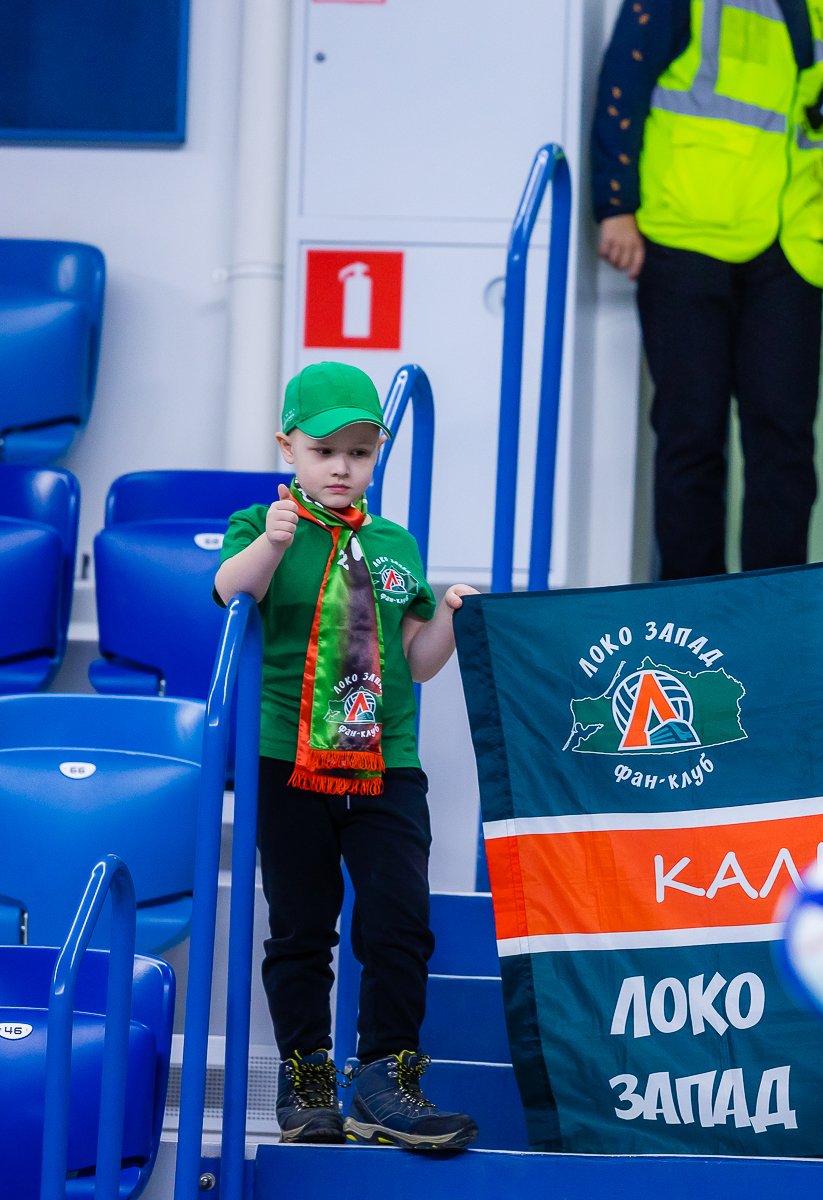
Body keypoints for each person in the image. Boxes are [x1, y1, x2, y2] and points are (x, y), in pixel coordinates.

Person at [214, 361, 480, 1149]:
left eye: (359, 453)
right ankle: (308, 1080)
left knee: (400, 918)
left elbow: (419, 661)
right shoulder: (261, 524)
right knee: (302, 926)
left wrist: (450, 617)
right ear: (287, 448)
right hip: (288, 758)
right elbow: (231, 590)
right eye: (324, 450)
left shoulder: (393, 543)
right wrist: (271, 544)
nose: (341, 467)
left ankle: (385, 1078)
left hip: (385, 762)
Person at [592, 0, 823, 580]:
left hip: (788, 246)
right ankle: (693, 608)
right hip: (688, 236)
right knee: (692, 437)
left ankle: (772, 607)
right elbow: (624, 81)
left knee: (784, 447)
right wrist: (615, 204)